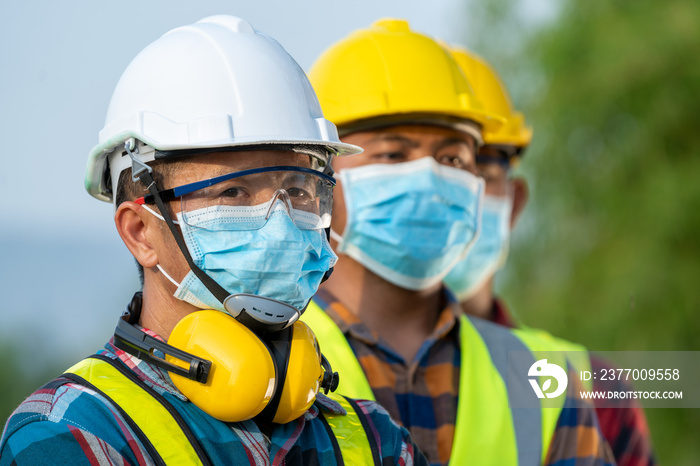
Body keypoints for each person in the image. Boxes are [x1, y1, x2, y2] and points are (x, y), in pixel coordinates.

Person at [0, 16, 428, 466]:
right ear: (140, 231)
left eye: (300, 190)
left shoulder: (375, 440)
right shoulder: (72, 433)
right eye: (233, 191)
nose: (280, 223)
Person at [301, 18, 616, 466]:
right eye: (394, 153)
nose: (430, 177)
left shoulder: (543, 383)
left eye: (453, 157)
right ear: (321, 180)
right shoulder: (263, 359)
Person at [443, 47, 656, 466]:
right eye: (400, 161)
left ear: (516, 203)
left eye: (478, 174)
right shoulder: (292, 365)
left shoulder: (595, 391)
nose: (452, 200)